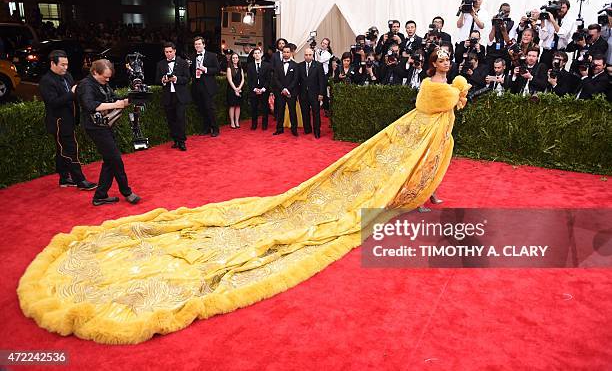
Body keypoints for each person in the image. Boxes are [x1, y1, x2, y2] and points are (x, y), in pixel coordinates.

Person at [19, 47, 471, 345]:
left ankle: (423, 191)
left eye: (449, 59)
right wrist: (460, 88)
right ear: (434, 64)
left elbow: (454, 105)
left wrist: (459, 92)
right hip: (422, 130)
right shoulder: (434, 86)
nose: (447, 63)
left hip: (431, 138)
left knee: (424, 169)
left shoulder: (443, 84)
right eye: (443, 59)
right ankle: (99, 189)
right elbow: (445, 101)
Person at [76, 59, 140, 206]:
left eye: (109, 77)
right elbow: (89, 105)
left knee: (110, 161)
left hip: (105, 126)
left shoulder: (103, 83)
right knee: (115, 159)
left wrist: (128, 99)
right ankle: (127, 192)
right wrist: (115, 104)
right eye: (105, 77)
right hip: (95, 127)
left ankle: (100, 195)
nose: (108, 79)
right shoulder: (85, 85)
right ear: (94, 73)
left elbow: (114, 98)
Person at [39, 50, 96, 190]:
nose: (65, 67)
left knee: (62, 150)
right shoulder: (46, 81)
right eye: (62, 65)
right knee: (70, 149)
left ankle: (64, 178)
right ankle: (80, 181)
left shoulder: (68, 76)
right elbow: (53, 103)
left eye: (67, 64)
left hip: (70, 119)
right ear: (53, 63)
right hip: (58, 122)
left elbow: (74, 96)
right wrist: (71, 93)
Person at [155, 42, 191, 151]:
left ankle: (182, 141)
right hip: (168, 95)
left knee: (180, 118)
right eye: (166, 52)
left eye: (170, 51)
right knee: (171, 119)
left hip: (179, 96)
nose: (168, 54)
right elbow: (157, 80)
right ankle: (175, 140)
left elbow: (187, 79)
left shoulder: (183, 63)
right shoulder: (160, 64)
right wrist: (163, 80)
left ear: (174, 51)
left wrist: (177, 79)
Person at [191, 36, 220, 137]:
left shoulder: (212, 55)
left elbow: (217, 69)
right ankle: (206, 128)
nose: (197, 46)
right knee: (201, 108)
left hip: (208, 86)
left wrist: (206, 69)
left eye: (199, 44)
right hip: (197, 85)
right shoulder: (192, 56)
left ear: (203, 45)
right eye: (196, 44)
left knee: (210, 108)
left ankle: (215, 129)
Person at [297, 48, 326, 138]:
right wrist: (298, 94)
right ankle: (307, 129)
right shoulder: (300, 66)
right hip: (303, 94)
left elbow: (322, 81)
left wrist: (321, 94)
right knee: (304, 112)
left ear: (313, 55)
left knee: (316, 113)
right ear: (304, 55)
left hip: (315, 94)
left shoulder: (318, 65)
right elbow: (297, 81)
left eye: (310, 55)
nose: (308, 56)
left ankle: (317, 131)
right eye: (306, 55)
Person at [272, 45, 299, 136]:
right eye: (284, 52)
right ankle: (279, 129)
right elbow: (276, 79)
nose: (286, 54)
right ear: (282, 53)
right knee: (280, 111)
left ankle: (294, 130)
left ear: (291, 53)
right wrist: (282, 89)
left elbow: (296, 80)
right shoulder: (278, 65)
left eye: (288, 52)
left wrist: (288, 89)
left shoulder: (295, 65)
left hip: (291, 92)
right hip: (280, 92)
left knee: (292, 111)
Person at [246, 48, 272, 130]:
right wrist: (255, 89)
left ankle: (264, 125)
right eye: (255, 53)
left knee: (264, 108)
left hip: (264, 90)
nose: (257, 54)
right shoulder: (250, 66)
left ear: (261, 54)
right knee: (254, 108)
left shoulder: (267, 65)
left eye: (258, 53)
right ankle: (254, 125)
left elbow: (268, 79)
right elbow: (249, 80)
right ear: (253, 55)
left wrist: (263, 89)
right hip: (254, 91)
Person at [225, 53, 244, 129]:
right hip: (231, 90)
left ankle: (237, 121)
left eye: (236, 58)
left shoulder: (240, 68)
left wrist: (239, 88)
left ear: (238, 59)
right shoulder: (229, 68)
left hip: (240, 89)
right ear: (231, 59)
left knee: (238, 106)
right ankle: (232, 122)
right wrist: (235, 89)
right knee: (232, 106)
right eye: (233, 58)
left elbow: (243, 79)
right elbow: (230, 80)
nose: (235, 59)